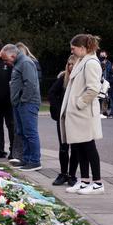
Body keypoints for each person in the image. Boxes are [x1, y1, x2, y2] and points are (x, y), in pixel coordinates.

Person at [61, 34, 105, 194]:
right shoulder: (82, 61)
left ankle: (98, 182)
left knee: (89, 147)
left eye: (73, 48)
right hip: (79, 114)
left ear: (82, 48)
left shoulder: (91, 63)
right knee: (79, 148)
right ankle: (85, 180)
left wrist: (79, 103)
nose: (72, 51)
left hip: (84, 113)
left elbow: (93, 89)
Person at [1, 44, 42, 171]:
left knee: (30, 132)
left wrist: (23, 100)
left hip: (27, 103)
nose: (5, 63)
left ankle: (35, 161)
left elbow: (30, 84)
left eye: (6, 60)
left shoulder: (25, 63)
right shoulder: (18, 63)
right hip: (20, 103)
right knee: (22, 132)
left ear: (12, 55)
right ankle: (26, 159)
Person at [47, 55, 78, 186]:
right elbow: (51, 93)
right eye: (69, 64)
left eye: (73, 64)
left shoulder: (80, 79)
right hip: (63, 118)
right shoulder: (63, 78)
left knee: (75, 148)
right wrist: (60, 110)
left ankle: (72, 175)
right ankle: (63, 173)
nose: (71, 66)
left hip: (76, 118)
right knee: (63, 147)